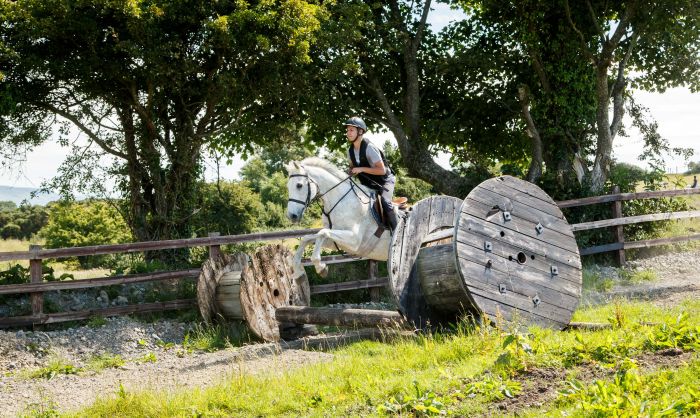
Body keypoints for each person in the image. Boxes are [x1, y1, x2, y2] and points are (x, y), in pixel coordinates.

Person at [344, 116, 399, 232]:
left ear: (360, 132)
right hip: (369, 184)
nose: (348, 133)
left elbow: (382, 170)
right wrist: (348, 173)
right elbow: (353, 169)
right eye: (347, 130)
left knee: (385, 202)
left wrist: (361, 169)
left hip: (385, 181)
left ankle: (397, 232)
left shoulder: (369, 148)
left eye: (351, 130)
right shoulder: (350, 152)